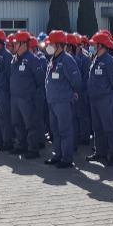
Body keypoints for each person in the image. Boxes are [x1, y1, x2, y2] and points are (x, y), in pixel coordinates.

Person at [44, 31, 82, 168]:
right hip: (53, 101)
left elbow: (76, 80)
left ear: (59, 44)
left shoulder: (67, 60)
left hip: (63, 101)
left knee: (65, 130)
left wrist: (72, 93)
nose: (48, 46)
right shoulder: (53, 59)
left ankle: (66, 158)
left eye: (51, 43)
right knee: (55, 130)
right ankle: (57, 155)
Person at [86, 33, 113, 165]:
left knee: (109, 127)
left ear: (101, 45)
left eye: (93, 44)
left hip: (106, 99)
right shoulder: (96, 59)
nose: (91, 46)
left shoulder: (110, 61)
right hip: (95, 99)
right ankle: (100, 152)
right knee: (97, 128)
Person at [9, 32, 44, 158]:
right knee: (17, 123)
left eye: (16, 43)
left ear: (23, 44)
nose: (14, 45)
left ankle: (33, 149)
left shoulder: (32, 59)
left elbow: (40, 80)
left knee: (30, 125)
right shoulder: (14, 59)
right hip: (15, 97)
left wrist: (33, 96)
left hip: (27, 98)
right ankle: (21, 145)